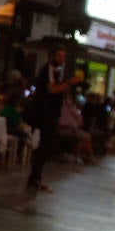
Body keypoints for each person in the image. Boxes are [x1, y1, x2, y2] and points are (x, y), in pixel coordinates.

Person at [25, 46, 83, 193]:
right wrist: (69, 83)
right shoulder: (48, 70)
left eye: (64, 57)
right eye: (59, 56)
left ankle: (36, 177)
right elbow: (52, 90)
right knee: (46, 146)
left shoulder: (58, 72)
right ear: (52, 56)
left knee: (48, 146)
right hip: (45, 114)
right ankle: (35, 178)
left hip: (52, 114)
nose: (61, 59)